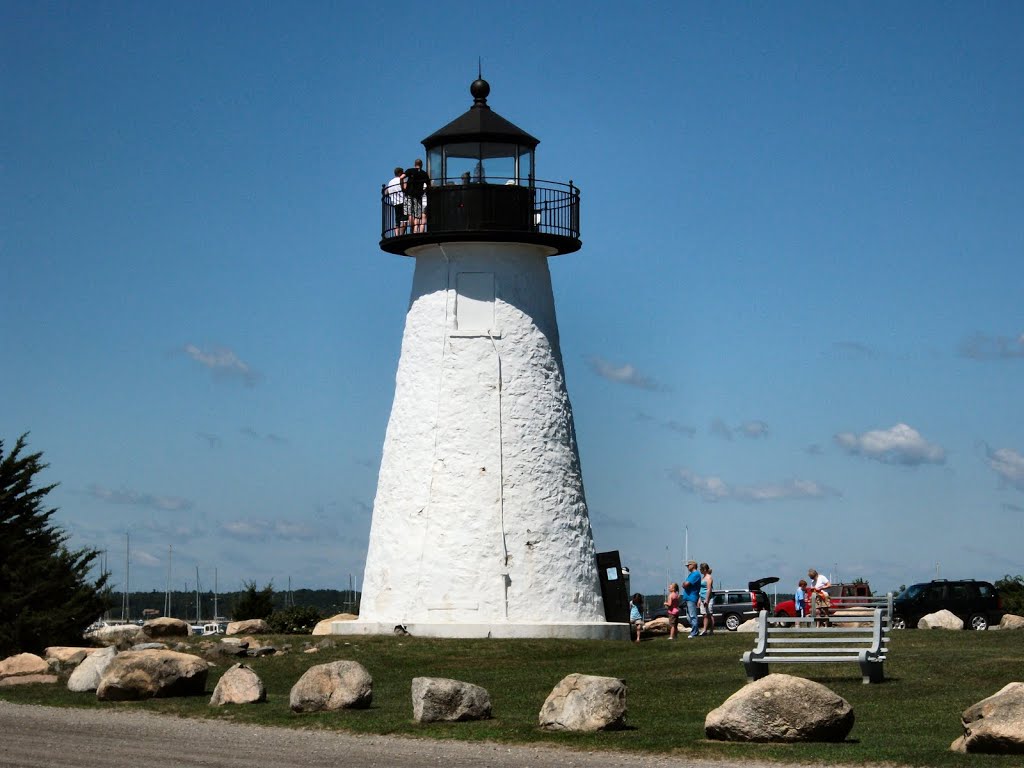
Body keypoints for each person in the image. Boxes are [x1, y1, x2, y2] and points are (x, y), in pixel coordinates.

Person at [403, 158, 430, 233]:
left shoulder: (410, 170)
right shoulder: (424, 174)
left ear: (415, 164)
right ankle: (415, 230)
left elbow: (402, 177)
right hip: (418, 196)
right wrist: (424, 190)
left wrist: (403, 186)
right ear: (421, 165)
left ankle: (412, 229)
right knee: (417, 215)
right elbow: (428, 185)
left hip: (408, 194)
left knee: (410, 213)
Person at [682, 560, 701, 638]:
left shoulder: (695, 574)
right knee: (689, 617)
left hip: (691, 597)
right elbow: (685, 584)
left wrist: (684, 584)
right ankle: (695, 630)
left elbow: (685, 584)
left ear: (693, 565)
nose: (687, 567)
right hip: (688, 598)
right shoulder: (691, 575)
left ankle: (694, 633)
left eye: (688, 565)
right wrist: (684, 584)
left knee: (692, 616)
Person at [385, 166, 406, 236]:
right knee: (404, 221)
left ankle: (397, 235)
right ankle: (401, 234)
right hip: (402, 202)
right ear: (400, 173)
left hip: (395, 203)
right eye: (403, 173)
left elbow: (386, 192)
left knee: (397, 220)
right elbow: (405, 188)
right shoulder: (401, 180)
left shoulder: (390, 182)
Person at [698, 563, 715, 636]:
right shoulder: (703, 577)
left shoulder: (709, 577)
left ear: (704, 569)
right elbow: (701, 589)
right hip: (702, 598)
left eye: (701, 569)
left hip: (708, 599)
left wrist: (707, 600)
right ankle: (704, 630)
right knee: (704, 615)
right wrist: (699, 599)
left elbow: (709, 589)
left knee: (709, 614)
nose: (700, 570)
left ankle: (711, 630)